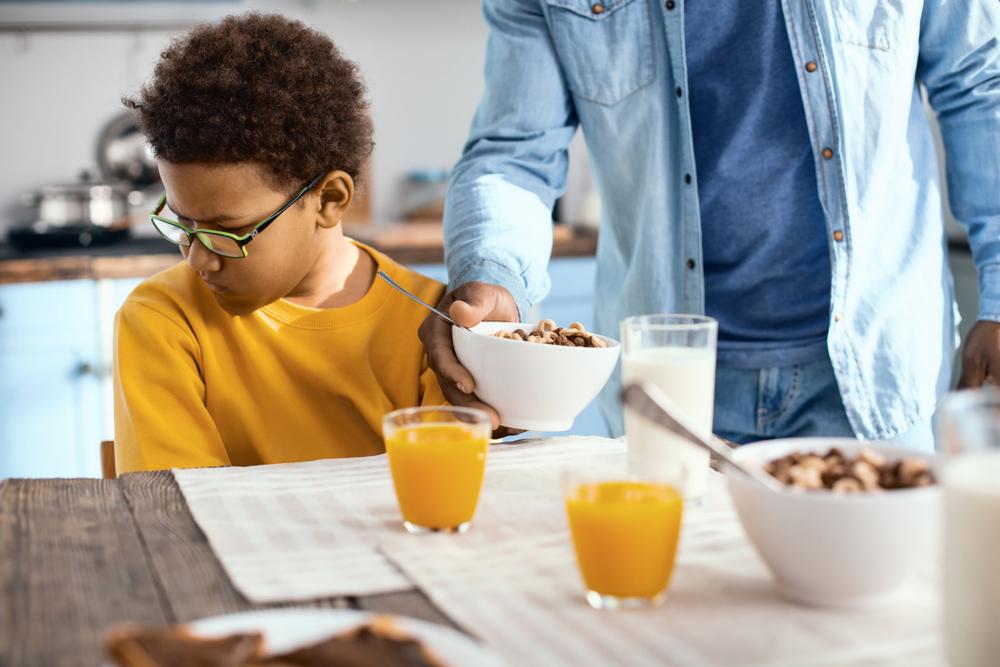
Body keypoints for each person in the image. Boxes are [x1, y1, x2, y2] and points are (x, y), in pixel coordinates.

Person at [420, 0, 1000, 449]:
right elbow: (516, 147)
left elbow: (981, 85)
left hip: (878, 373)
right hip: (667, 389)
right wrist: (490, 270)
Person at [114, 13, 444, 473]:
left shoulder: (434, 327)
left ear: (329, 199)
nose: (199, 261)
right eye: (183, 224)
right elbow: (179, 511)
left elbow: (438, 500)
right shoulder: (163, 319)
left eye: (228, 232)